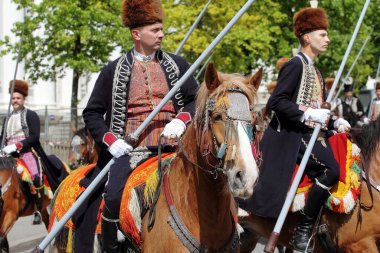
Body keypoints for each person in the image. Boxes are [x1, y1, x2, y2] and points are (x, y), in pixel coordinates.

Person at [79, 0, 198, 252]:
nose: (161, 34)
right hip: (132, 150)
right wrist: (112, 142)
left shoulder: (179, 65)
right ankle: (112, 247)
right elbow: (91, 113)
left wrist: (181, 119)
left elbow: (195, 101)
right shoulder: (112, 71)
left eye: (161, 28)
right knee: (112, 197)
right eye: (155, 30)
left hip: (176, 146)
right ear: (136, 34)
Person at [240, 7, 351, 252]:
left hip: (312, 133)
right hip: (292, 136)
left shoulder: (317, 72)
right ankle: (304, 229)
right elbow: (278, 102)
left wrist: (334, 122)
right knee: (330, 169)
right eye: (323, 34)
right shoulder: (295, 65)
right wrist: (309, 113)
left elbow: (316, 109)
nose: (328, 39)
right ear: (307, 36)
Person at [0, 80, 45, 225]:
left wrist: (17, 145)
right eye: (13, 98)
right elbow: (2, 138)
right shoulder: (7, 118)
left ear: (24, 99)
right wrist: (3, 148)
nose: (15, 101)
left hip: (26, 152)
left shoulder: (31, 115)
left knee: (35, 175)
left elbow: (34, 136)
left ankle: (38, 209)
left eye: (18, 98)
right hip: (8, 155)